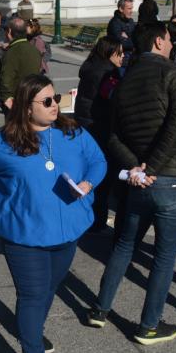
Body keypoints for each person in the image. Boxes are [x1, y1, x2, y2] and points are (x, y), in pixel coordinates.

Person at [0, 74, 106, 353]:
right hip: (23, 234)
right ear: (27, 108)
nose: (55, 105)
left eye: (55, 98)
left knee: (48, 288)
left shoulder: (73, 132)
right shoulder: (3, 141)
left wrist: (88, 182)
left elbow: (98, 161)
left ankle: (32, 331)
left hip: (67, 231)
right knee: (32, 293)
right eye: (46, 101)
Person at [86, 21, 176, 345]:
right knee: (164, 255)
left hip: (139, 179)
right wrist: (154, 167)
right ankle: (149, 324)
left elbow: (114, 136)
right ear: (160, 41)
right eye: (169, 39)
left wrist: (137, 168)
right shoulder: (174, 73)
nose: (172, 44)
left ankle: (99, 309)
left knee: (123, 244)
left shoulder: (124, 81)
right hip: (172, 176)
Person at [74, 36, 124, 231]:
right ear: (109, 53)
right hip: (99, 125)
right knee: (101, 173)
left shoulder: (90, 66)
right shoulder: (106, 73)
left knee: (87, 169)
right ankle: (97, 220)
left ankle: (89, 215)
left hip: (85, 122)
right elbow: (112, 98)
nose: (122, 57)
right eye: (119, 53)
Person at [0, 18, 42, 114]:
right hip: (31, 96)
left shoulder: (12, 52)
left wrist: (5, 98)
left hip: (16, 100)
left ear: (9, 31)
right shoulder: (34, 50)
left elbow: (6, 79)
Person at [107, 0, 135, 68]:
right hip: (120, 60)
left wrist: (128, 38)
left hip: (132, 57)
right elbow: (121, 43)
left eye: (132, 8)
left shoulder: (130, 21)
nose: (131, 11)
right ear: (121, 9)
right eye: (129, 8)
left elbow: (137, 36)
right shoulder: (115, 23)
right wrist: (134, 41)